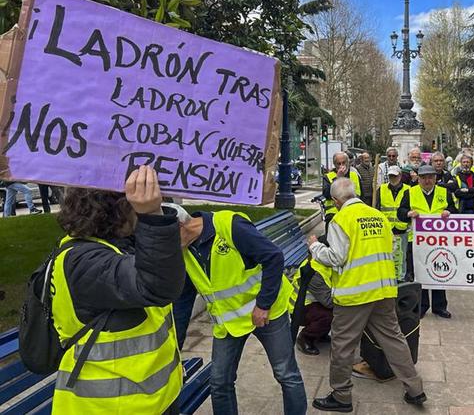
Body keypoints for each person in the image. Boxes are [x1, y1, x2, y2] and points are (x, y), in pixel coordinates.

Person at [51, 166, 184, 414]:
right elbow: (158, 286)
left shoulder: (115, 248)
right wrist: (153, 217)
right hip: (109, 407)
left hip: (150, 400)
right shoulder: (83, 262)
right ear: (116, 209)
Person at [171, 203, 306, 415]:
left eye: (162, 239)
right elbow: (183, 301)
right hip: (229, 323)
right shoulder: (184, 250)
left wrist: (263, 305)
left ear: (180, 226)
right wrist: (175, 352)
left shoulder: (229, 225)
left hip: (268, 312)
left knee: (286, 374)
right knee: (219, 382)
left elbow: (273, 257)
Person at [309, 179, 426, 412]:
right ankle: (415, 389)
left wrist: (315, 247)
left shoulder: (340, 220)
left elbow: (336, 258)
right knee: (393, 338)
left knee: (343, 345)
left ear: (336, 201)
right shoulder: (378, 216)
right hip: (383, 290)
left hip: (354, 294)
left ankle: (341, 396)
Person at [397, 165, 457, 318]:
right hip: (416, 241)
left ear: (435, 178)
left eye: (430, 177)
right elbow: (400, 213)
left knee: (440, 271)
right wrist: (409, 213)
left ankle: (439, 306)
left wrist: (449, 212)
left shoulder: (445, 192)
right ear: (418, 179)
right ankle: (421, 306)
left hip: (439, 240)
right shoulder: (410, 193)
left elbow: (455, 212)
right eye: (423, 177)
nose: (427, 180)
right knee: (418, 274)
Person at [289, 246, 333, 356]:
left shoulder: (323, 264)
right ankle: (305, 338)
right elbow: (328, 301)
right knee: (331, 315)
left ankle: (320, 334)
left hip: (313, 303)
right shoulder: (314, 272)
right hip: (300, 310)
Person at [375, 165, 411, 280]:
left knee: (402, 257)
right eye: (390, 176)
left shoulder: (408, 189)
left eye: (395, 176)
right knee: (387, 257)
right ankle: (388, 278)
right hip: (387, 230)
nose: (393, 178)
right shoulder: (381, 189)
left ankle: (401, 279)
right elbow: (377, 209)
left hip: (402, 229)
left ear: (400, 176)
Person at [323, 152, 362, 226]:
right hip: (333, 213)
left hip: (352, 212)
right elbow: (326, 194)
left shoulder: (354, 175)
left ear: (348, 162)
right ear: (335, 164)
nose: (341, 166)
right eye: (339, 163)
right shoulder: (328, 176)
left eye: (343, 163)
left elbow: (360, 194)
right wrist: (337, 179)